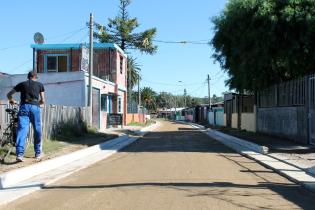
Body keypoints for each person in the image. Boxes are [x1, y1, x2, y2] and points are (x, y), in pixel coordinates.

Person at [7, 71, 45, 162]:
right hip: (35, 108)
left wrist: (11, 101)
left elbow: (9, 94)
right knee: (37, 129)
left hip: (23, 107)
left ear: (28, 77)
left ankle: (19, 154)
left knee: (22, 130)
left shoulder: (21, 84)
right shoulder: (40, 85)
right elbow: (43, 100)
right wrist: (38, 103)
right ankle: (38, 153)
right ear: (35, 77)